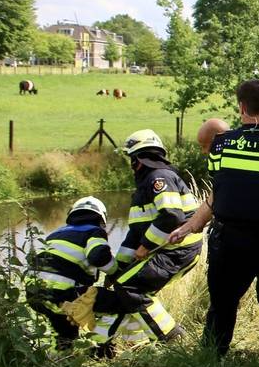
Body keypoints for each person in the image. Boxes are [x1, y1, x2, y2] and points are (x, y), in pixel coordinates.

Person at [169, 80, 259, 355]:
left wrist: (191, 225)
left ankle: (212, 357)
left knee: (222, 303)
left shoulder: (221, 146)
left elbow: (219, 193)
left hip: (230, 241)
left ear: (241, 107)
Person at [78, 130, 199, 351]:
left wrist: (146, 246)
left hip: (178, 249)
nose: (131, 165)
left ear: (138, 160)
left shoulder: (159, 178)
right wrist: (116, 270)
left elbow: (172, 216)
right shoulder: (145, 187)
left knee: (130, 287)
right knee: (124, 287)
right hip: (170, 250)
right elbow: (133, 236)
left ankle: (172, 338)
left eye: (131, 159)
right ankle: (105, 344)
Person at [27, 196, 113, 350]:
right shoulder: (94, 231)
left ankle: (64, 355)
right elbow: (98, 256)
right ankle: (102, 349)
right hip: (63, 294)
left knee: (65, 330)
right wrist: (115, 271)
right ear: (101, 219)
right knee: (115, 303)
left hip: (34, 294)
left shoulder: (55, 234)